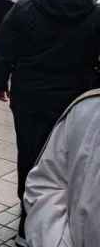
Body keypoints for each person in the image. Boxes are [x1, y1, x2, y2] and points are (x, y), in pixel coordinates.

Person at [0, 0, 100, 242]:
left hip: (29, 97)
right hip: (73, 99)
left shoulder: (26, 6)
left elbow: (3, 49)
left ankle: (28, 221)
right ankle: (61, 219)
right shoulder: (94, 14)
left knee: (29, 154)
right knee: (66, 161)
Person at [23, 89, 100, 247]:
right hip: (39, 97)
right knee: (28, 153)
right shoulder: (88, 107)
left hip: (44, 94)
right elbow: (47, 182)